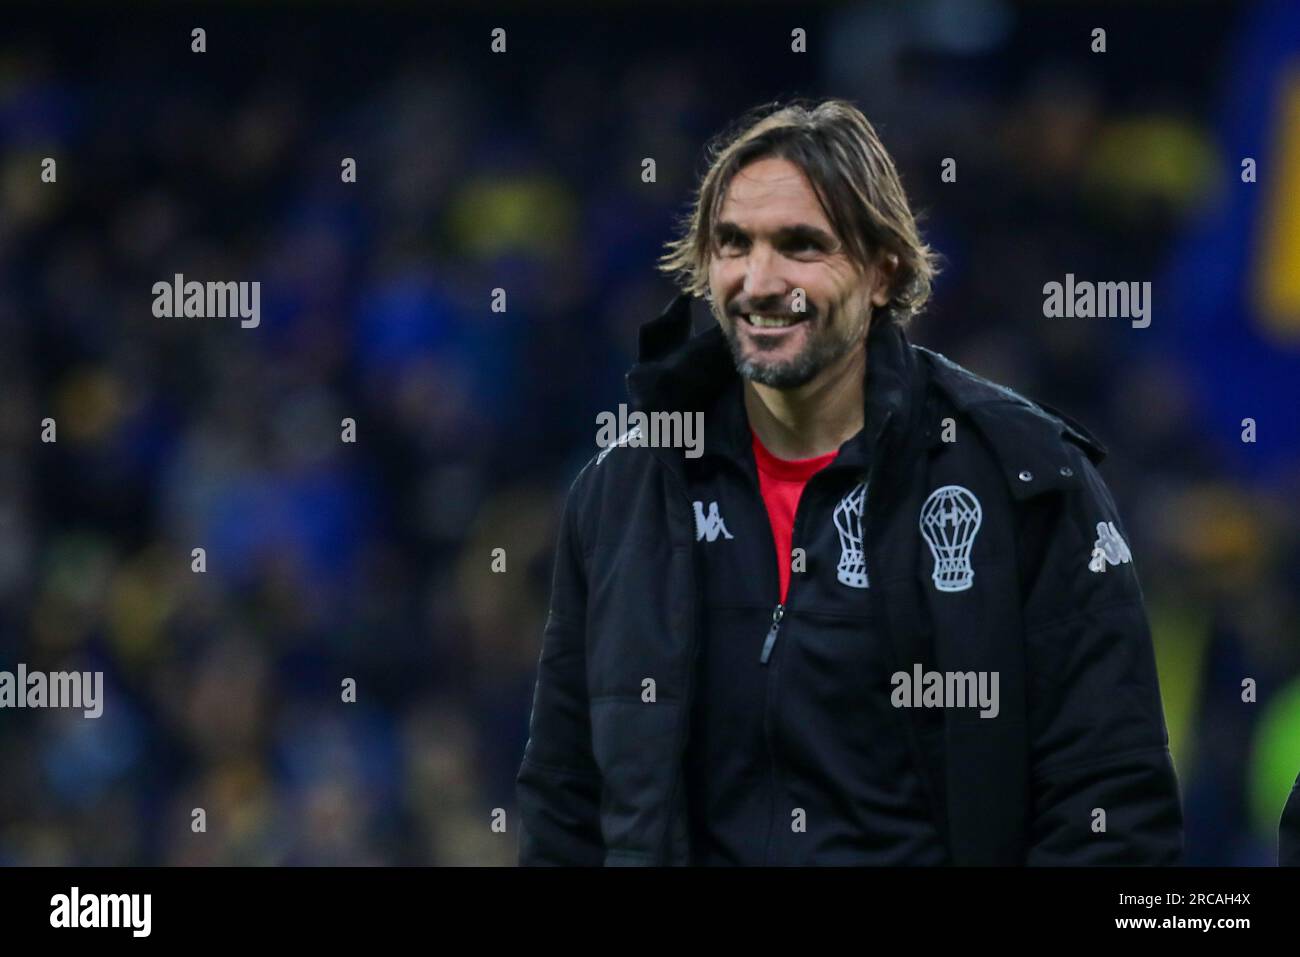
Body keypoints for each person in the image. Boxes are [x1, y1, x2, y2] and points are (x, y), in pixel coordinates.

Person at [515, 98, 1183, 865]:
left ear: (881, 271)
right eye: (734, 244)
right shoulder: (623, 490)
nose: (760, 281)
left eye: (801, 245)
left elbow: (1112, 811)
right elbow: (564, 802)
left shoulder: (1026, 481)